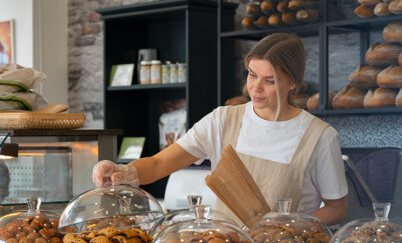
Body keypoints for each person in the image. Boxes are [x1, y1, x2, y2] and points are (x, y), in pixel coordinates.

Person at [92, 33, 348, 230]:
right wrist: (122, 171)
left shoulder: (320, 137)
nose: (254, 89)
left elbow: (337, 208)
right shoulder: (222, 121)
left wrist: (289, 230)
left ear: (292, 83)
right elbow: (159, 164)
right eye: (252, 75)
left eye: (269, 81)